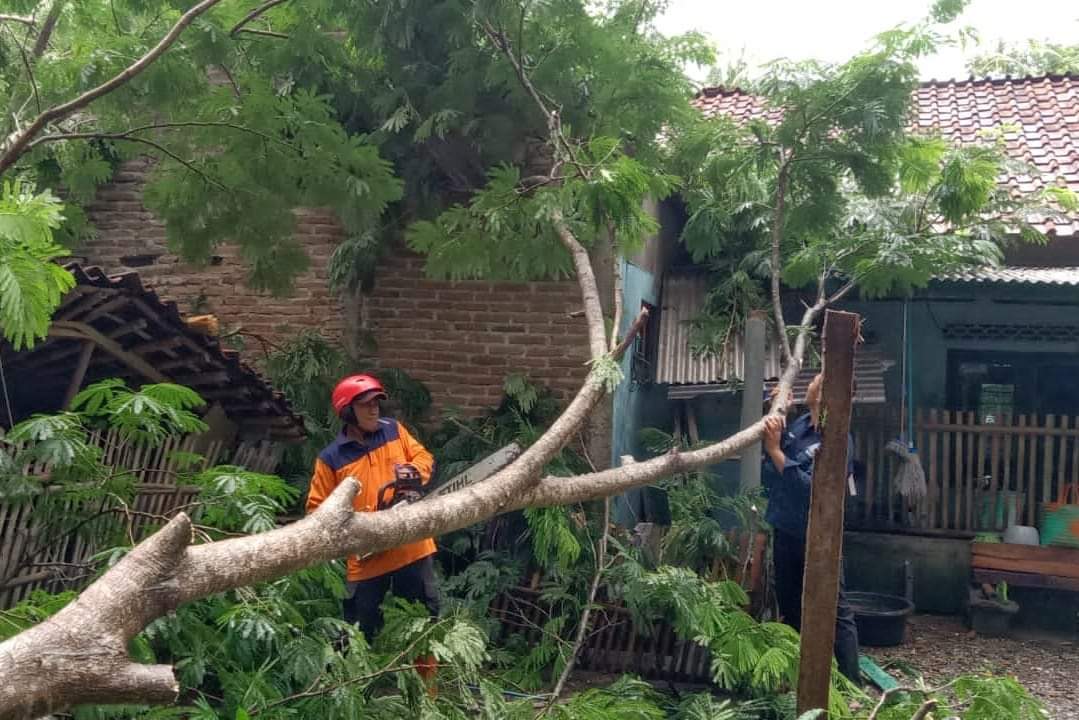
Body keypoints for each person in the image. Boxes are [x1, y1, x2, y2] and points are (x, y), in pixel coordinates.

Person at [306, 374, 440, 653]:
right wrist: (348, 530)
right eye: (366, 405)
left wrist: (414, 472)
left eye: (376, 403)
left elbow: (423, 457)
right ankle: (351, 679)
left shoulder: (394, 430)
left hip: (411, 546)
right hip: (366, 557)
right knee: (356, 631)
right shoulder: (331, 459)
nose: (374, 409)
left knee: (423, 626)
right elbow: (317, 510)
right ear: (348, 412)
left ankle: (425, 681)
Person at [761, 373, 861, 684]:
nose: (811, 383)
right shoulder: (802, 424)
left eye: (818, 380)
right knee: (790, 604)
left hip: (819, 537)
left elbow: (813, 491)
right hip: (786, 529)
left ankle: (851, 685)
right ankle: (797, 679)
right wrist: (776, 414)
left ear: (829, 395)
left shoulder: (838, 440)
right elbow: (773, 471)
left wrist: (776, 453)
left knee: (835, 610)